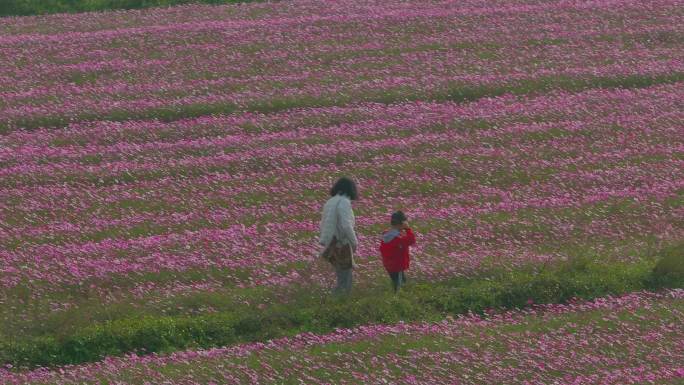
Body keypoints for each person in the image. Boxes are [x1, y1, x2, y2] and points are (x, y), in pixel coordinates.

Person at [319, 177, 359, 294]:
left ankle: (337, 302)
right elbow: (346, 225)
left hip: (331, 243)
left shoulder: (330, 202)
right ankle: (338, 304)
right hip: (341, 243)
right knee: (345, 281)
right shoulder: (344, 202)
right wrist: (354, 242)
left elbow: (324, 223)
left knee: (341, 276)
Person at [379, 211, 416, 293]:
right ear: (402, 223)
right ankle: (397, 302)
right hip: (397, 267)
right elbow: (411, 240)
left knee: (398, 283)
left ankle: (396, 298)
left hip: (389, 265)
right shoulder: (398, 239)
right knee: (400, 287)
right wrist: (408, 229)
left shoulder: (386, 234)